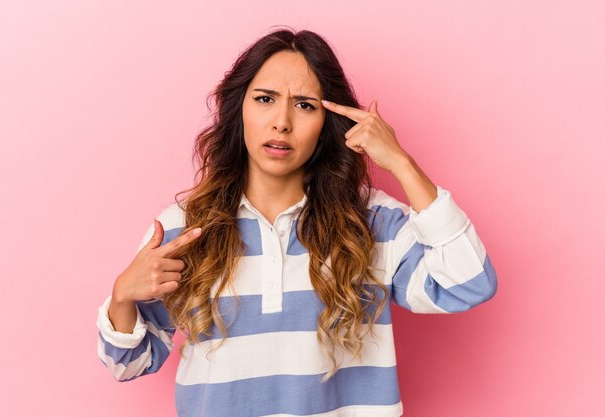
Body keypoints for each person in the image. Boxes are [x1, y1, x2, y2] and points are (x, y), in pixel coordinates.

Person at [96, 27, 498, 417]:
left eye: (305, 105)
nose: (282, 122)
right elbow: (128, 363)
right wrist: (122, 297)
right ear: (239, 109)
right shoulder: (184, 227)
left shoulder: (372, 222)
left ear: (327, 125)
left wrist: (401, 163)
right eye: (265, 99)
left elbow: (468, 284)